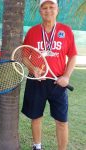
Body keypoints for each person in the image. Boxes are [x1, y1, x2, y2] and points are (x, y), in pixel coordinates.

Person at [21, 0, 77, 150]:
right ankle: (37, 146)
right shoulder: (32, 31)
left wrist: (66, 77)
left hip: (57, 82)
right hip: (36, 81)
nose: (48, 10)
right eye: (44, 8)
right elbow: (24, 55)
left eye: (51, 7)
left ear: (57, 10)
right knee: (36, 116)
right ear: (40, 11)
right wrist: (33, 69)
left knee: (61, 120)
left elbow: (72, 56)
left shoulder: (66, 30)